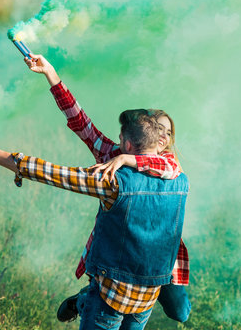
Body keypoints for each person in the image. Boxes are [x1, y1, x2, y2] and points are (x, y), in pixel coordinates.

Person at [0, 110, 189, 330]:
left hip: (108, 297)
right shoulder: (180, 179)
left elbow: (51, 173)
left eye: (121, 139)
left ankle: (83, 301)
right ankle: (84, 300)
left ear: (128, 145)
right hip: (145, 300)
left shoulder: (113, 181)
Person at [24, 54, 191, 323]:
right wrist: (51, 75)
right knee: (115, 302)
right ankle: (89, 299)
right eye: (158, 129)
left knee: (180, 313)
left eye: (168, 133)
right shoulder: (111, 155)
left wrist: (128, 159)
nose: (163, 136)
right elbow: (80, 122)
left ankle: (90, 298)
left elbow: (166, 166)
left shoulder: (170, 165)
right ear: (143, 132)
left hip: (161, 257)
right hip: (124, 256)